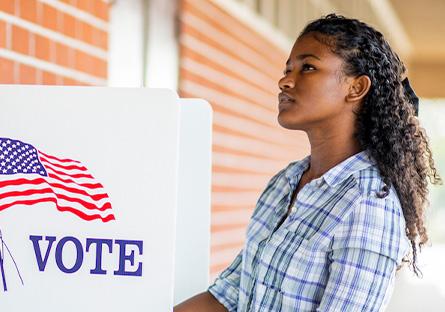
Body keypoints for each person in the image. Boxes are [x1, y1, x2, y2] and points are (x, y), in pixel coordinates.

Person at [174, 14, 442, 311]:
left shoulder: (368, 204)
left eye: (308, 68)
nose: (285, 81)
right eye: (288, 69)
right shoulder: (284, 182)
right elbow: (226, 299)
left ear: (356, 88)